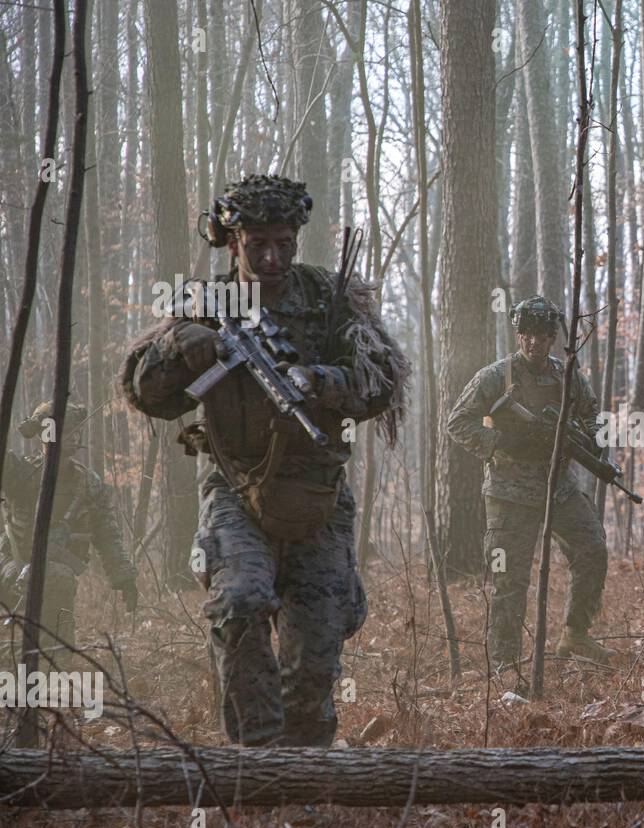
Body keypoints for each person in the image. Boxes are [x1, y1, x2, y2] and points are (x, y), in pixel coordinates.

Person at [119, 174, 409, 747]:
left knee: (319, 645)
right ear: (234, 243)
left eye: (284, 243)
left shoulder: (330, 298)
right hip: (235, 487)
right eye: (258, 246)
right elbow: (146, 394)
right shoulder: (203, 303)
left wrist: (320, 381)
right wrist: (182, 349)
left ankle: (304, 771)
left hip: (316, 491)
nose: (272, 258)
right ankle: (256, 760)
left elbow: (382, 385)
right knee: (242, 600)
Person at [446, 296, 613, 672]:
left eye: (540, 335)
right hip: (509, 494)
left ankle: (574, 633)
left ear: (552, 337)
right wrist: (502, 442)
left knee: (593, 549)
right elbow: (458, 422)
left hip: (559, 487)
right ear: (518, 335)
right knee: (509, 579)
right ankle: (504, 664)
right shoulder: (495, 376)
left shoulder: (565, 375)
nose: (533, 342)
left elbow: (592, 416)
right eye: (526, 335)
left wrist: (590, 441)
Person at [0, 401, 137, 669]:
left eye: (74, 431)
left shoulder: (88, 483)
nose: (71, 437)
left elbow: (107, 534)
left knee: (57, 579)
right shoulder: (21, 473)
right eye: (64, 431)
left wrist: (124, 577)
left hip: (55, 573)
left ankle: (53, 662)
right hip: (11, 566)